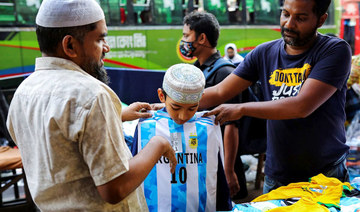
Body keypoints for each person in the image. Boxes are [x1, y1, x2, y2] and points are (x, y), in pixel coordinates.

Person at [6, 0, 177, 211]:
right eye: (100, 39)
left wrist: (117, 115)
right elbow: (115, 187)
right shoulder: (92, 94)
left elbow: (58, 139)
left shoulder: (23, 93)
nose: (107, 47)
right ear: (70, 45)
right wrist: (158, 144)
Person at [201, 0, 352, 194]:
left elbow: (301, 106)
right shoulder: (264, 52)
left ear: (321, 20)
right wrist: (168, 104)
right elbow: (219, 92)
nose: (289, 24)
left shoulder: (334, 50)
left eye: (301, 18)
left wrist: (241, 109)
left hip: (325, 177)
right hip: (277, 177)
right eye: (286, 14)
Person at [131, 63, 231, 211]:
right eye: (176, 107)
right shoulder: (146, 127)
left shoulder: (209, 126)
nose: (183, 116)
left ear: (201, 99)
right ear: (161, 96)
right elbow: (133, 174)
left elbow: (218, 177)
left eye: (192, 108)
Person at [179, 10, 247, 199]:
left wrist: (228, 170)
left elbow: (231, 126)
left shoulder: (225, 73)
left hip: (223, 160)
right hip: (203, 155)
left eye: (186, 36)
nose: (183, 41)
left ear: (201, 38)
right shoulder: (197, 69)